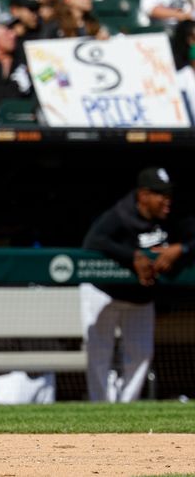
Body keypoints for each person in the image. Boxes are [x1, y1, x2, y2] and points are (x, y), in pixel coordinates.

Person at [80, 167, 195, 402]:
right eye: (161, 195)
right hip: (105, 293)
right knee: (100, 353)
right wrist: (132, 256)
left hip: (140, 297)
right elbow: (93, 241)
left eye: (169, 195)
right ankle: (100, 406)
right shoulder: (120, 214)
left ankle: (127, 405)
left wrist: (180, 249)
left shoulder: (172, 216)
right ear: (144, 195)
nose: (167, 201)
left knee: (141, 353)